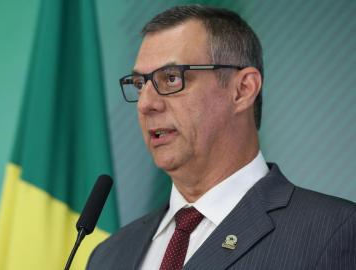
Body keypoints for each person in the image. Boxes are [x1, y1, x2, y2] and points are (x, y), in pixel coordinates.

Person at [86, 4, 356, 270]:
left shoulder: (334, 233)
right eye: (139, 84)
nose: (146, 104)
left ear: (242, 90)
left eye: (170, 78)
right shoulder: (109, 255)